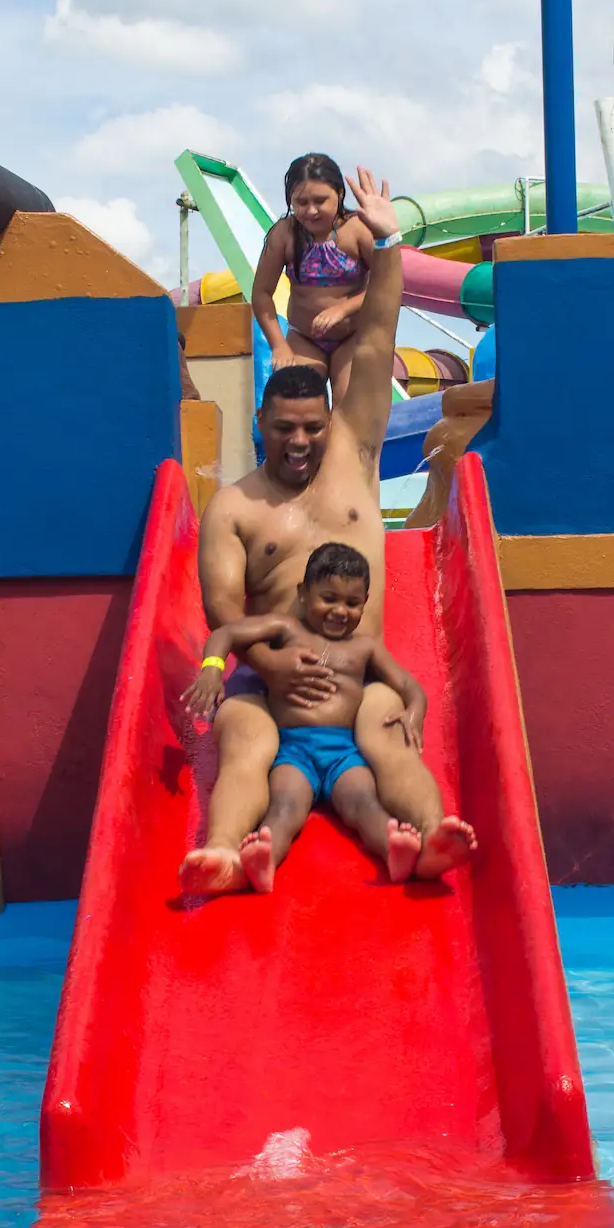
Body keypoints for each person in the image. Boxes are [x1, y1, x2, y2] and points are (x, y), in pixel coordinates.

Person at [183, 165, 469, 896]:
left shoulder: (353, 455)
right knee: (245, 742)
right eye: (285, 428)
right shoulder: (234, 509)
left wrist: (390, 243)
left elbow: (375, 340)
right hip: (269, 684)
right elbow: (223, 611)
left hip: (358, 680)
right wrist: (271, 667)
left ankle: (431, 836)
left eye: (313, 425)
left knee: (391, 735)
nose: (301, 441)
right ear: (261, 423)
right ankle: (222, 854)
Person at [183, 542, 473, 892]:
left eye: (352, 603)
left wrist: (414, 712)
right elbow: (226, 633)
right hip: (293, 751)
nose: (340, 611)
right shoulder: (286, 629)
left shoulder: (365, 648)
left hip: (344, 753)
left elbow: (408, 685)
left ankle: (396, 852)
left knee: (364, 804)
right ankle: (263, 860)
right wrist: (212, 669)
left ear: (365, 603)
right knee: (285, 807)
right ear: (302, 594)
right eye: (328, 598)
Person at [252, 153, 379, 407]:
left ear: (339, 195)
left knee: (348, 407)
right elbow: (261, 293)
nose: (311, 210)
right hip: (304, 339)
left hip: (352, 336)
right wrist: (279, 345)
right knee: (300, 403)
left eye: (320, 201)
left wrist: (343, 309)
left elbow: (389, 286)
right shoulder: (285, 234)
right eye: (301, 202)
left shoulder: (357, 230)